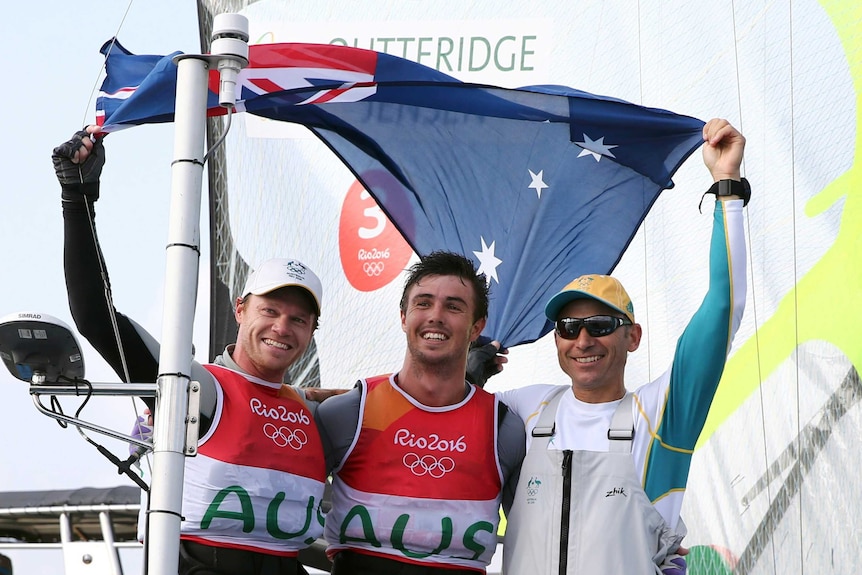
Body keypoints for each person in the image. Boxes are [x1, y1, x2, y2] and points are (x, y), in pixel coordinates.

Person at [52, 127, 329, 575]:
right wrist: (77, 199)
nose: (282, 327)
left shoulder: (318, 416)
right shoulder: (196, 389)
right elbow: (96, 319)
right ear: (241, 309)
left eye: (299, 319)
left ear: (313, 329)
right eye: (270, 309)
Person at [484, 118, 750, 574]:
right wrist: (468, 374)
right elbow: (436, 412)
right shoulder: (522, 409)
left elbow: (724, 304)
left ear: (633, 336)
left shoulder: (663, 415)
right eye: (567, 327)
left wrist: (726, 184)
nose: (582, 340)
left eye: (601, 324)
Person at [315, 251, 527, 574]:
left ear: (476, 327)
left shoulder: (505, 430)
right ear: (403, 317)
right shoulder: (349, 413)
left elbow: (537, 543)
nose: (436, 316)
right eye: (423, 303)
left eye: (454, 306)